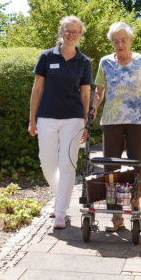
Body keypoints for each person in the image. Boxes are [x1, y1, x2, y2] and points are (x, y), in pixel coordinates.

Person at [92, 22, 141, 232]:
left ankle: (135, 204)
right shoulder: (105, 62)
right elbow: (99, 92)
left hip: (138, 120)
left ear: (130, 40)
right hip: (112, 120)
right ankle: (116, 215)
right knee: (111, 168)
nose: (119, 44)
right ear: (111, 42)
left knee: (136, 165)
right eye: (115, 41)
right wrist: (93, 109)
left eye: (123, 40)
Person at [29, 15, 93, 229]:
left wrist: (85, 121)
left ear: (80, 35)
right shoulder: (46, 57)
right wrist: (32, 119)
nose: (72, 34)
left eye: (76, 31)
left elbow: (85, 95)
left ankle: (60, 212)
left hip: (73, 118)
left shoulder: (84, 62)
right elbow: (37, 89)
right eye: (68, 30)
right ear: (61, 32)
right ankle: (60, 198)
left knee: (67, 163)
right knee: (47, 163)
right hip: (47, 116)